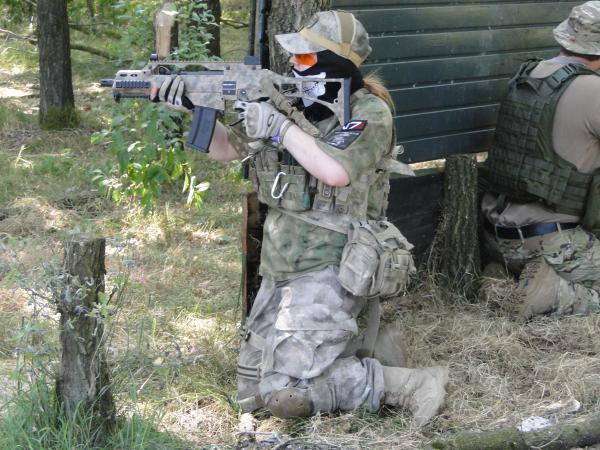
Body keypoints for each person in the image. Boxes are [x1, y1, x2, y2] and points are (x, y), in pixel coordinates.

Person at [156, 10, 448, 425]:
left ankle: (405, 383)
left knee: (288, 394)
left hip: (333, 261)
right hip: (281, 263)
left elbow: (335, 170)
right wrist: (191, 104)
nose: (294, 63)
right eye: (294, 55)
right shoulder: (289, 103)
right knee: (251, 393)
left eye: (307, 58)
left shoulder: (367, 112)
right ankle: (355, 354)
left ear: (337, 64)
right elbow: (226, 149)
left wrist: (279, 128)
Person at [481, 1, 600, 320]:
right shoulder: (594, 90)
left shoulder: (527, 75)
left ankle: (501, 281)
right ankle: (552, 293)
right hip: (552, 242)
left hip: (495, 235)